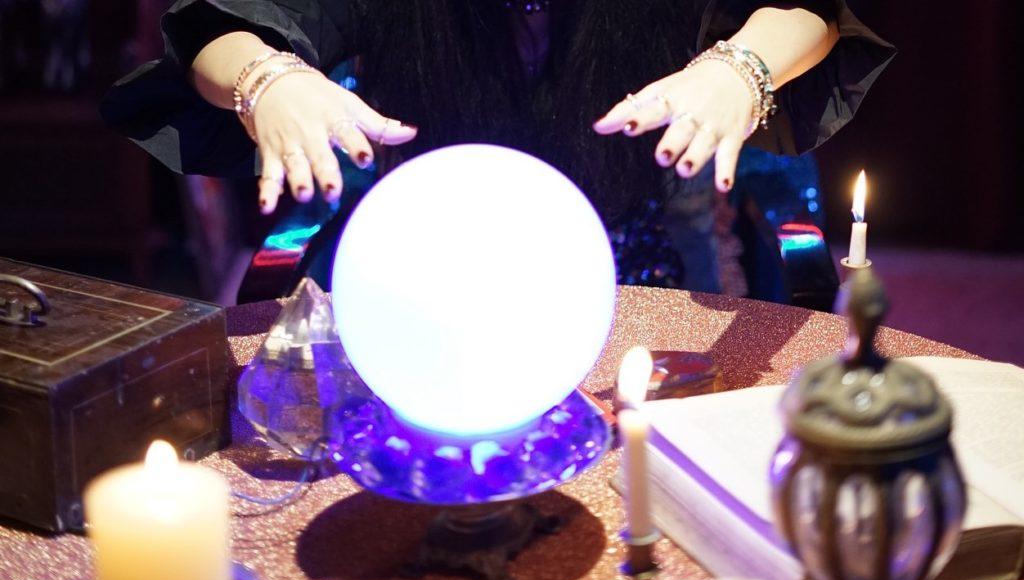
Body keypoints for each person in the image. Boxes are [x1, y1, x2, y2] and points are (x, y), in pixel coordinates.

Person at [103, 1, 893, 294]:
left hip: (627, 273)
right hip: (434, 271)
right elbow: (217, 29)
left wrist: (740, 68)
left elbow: (811, 14)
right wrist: (266, 79)